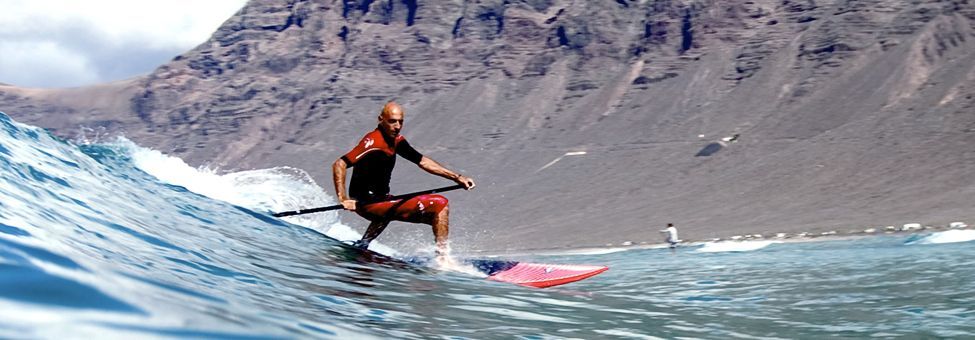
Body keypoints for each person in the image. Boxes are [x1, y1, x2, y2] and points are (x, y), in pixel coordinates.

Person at [332, 101, 475, 261]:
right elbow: (340, 163)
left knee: (432, 218)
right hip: (368, 203)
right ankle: (443, 260)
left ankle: (362, 245)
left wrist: (457, 177)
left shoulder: (396, 141)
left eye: (400, 121)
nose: (397, 126)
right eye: (392, 121)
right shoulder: (373, 141)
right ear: (381, 120)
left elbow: (422, 161)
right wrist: (343, 198)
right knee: (440, 205)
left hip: (382, 201)